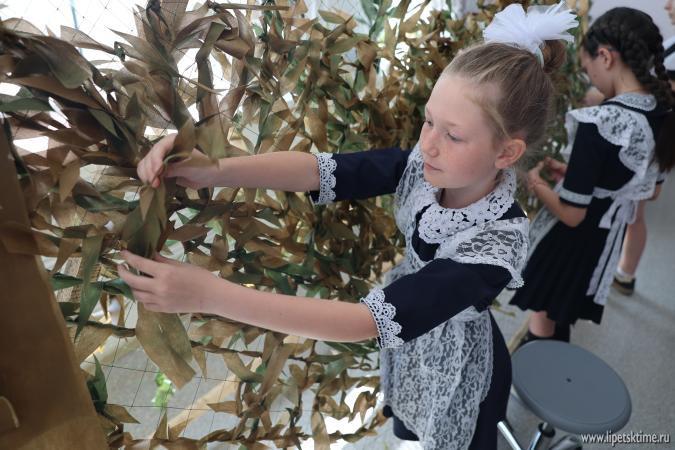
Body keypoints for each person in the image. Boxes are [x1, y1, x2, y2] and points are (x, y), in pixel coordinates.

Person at [119, 3, 577, 448]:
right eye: (428, 122)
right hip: (412, 340)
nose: (429, 144)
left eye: (452, 135)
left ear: (507, 153)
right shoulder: (426, 167)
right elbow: (324, 172)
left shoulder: (495, 245)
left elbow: (366, 321)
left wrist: (209, 295)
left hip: (458, 364)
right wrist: (215, 170)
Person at [510, 7, 675, 345]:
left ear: (605, 57)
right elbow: (648, 189)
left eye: (588, 70)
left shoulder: (599, 122)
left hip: (567, 243)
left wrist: (536, 183)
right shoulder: (662, 113)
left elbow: (572, 214)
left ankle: (539, 373)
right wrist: (579, 175)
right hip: (603, 240)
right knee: (562, 309)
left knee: (542, 319)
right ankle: (559, 367)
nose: (591, 79)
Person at [612, 4, 675, 295]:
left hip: (655, 136)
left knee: (634, 210)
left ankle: (626, 273)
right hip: (652, 133)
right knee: (633, 210)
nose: (667, 5)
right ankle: (624, 271)